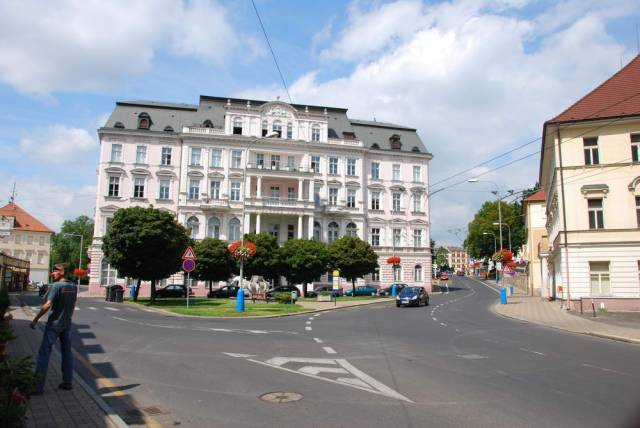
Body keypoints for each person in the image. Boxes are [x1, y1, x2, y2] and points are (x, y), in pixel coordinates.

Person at [30, 263, 78, 394]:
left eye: (56, 271)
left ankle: (37, 386)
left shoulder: (56, 286)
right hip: (66, 324)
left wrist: (35, 320)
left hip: (54, 324)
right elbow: (72, 305)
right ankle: (67, 382)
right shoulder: (73, 287)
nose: (53, 273)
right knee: (67, 352)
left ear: (62, 272)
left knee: (44, 353)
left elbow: (47, 304)